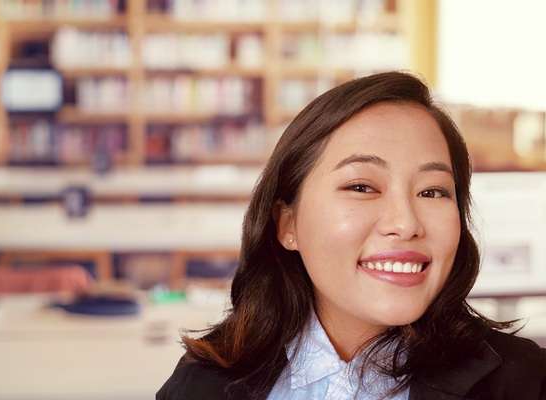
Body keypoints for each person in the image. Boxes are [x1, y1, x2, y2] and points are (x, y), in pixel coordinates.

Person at [156, 72, 546, 400]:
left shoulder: (525, 383)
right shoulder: (203, 383)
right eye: (361, 187)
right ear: (287, 224)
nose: (406, 222)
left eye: (432, 191)